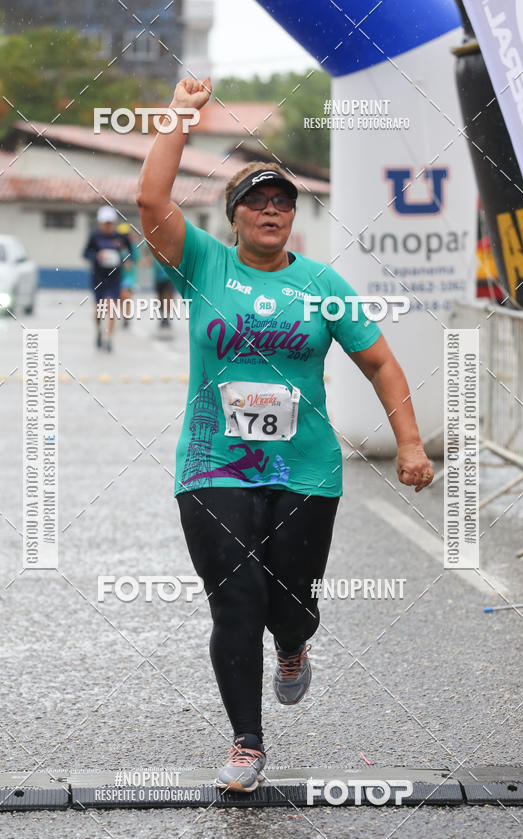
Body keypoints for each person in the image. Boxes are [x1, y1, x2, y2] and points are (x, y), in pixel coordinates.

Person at [137, 77, 434, 793]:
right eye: (256, 202)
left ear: (293, 217)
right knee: (235, 600)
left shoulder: (322, 283)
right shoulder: (204, 264)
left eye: (283, 202)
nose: (271, 211)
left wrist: (413, 442)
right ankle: (246, 742)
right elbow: (151, 201)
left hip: (304, 469)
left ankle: (294, 645)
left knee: (289, 602)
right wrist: (182, 112)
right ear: (234, 217)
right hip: (214, 467)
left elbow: (381, 362)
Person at [83, 205, 133, 351]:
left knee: (111, 307)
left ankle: (109, 337)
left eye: (110, 222)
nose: (107, 225)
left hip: (114, 277)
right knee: (99, 309)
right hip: (98, 277)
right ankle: (99, 330)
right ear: (100, 222)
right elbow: (85, 253)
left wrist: (128, 260)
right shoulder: (95, 236)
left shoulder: (119, 237)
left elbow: (130, 251)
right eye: (105, 222)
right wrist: (96, 256)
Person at [117, 222, 140, 328]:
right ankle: (123, 316)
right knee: (120, 298)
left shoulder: (131, 247)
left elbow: (137, 259)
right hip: (117, 277)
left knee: (126, 296)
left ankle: (126, 319)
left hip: (129, 277)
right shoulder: (116, 247)